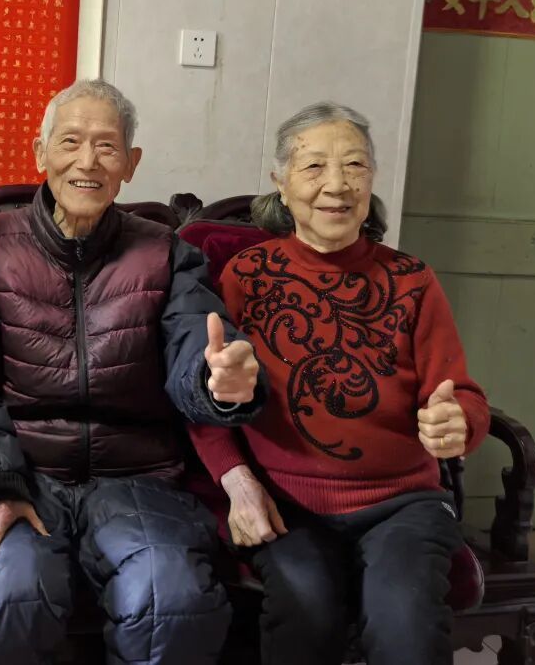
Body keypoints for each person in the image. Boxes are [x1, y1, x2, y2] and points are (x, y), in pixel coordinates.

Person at [0, 78, 266, 664]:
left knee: (172, 600)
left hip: (138, 475)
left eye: (107, 147)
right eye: (70, 142)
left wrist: (219, 382)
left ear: (131, 164)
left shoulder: (167, 253)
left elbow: (196, 341)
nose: (87, 161)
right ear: (41, 152)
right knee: (11, 595)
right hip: (22, 470)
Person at [188, 101, 490, 665]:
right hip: (287, 501)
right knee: (307, 617)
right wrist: (235, 478)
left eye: (354, 165)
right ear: (281, 184)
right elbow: (205, 404)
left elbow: (460, 393)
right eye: (313, 167)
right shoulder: (247, 276)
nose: (337, 184)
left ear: (371, 180)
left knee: (406, 628)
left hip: (403, 502)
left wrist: (461, 423)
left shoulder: (411, 279)